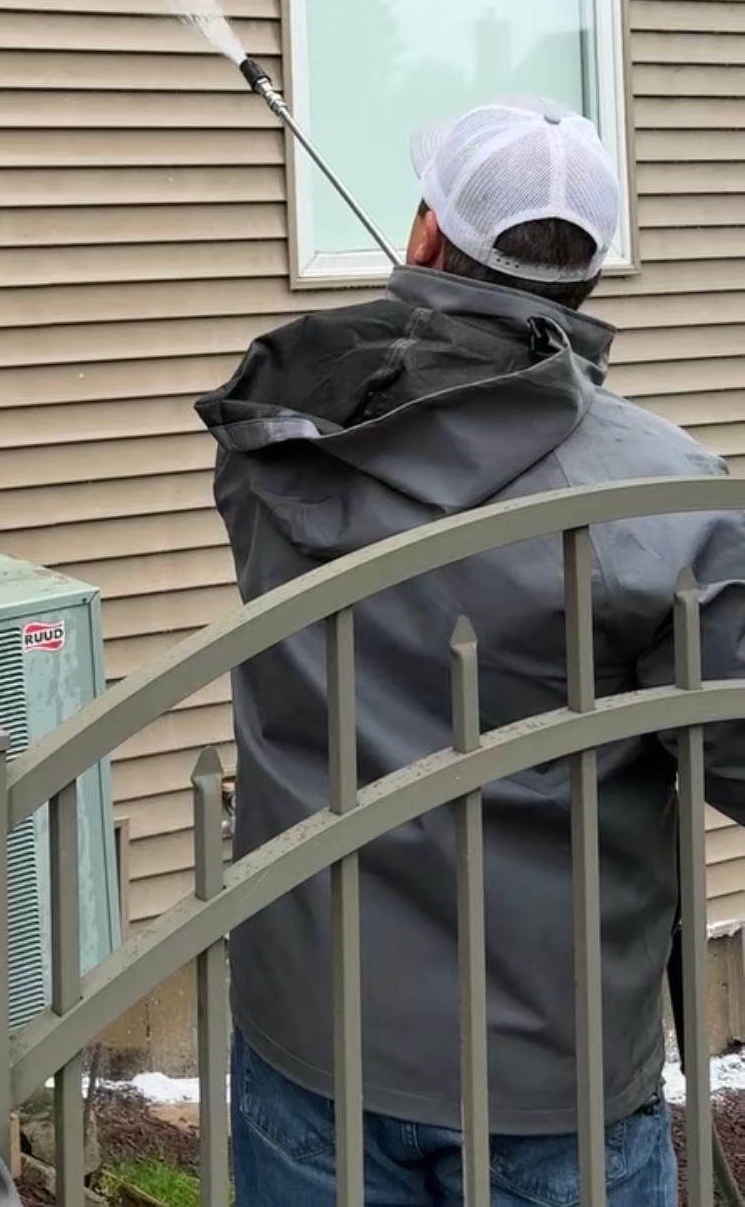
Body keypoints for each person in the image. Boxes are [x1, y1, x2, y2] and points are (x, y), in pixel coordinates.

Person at [196, 98, 745, 1207]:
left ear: (423, 233)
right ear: (589, 275)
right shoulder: (665, 495)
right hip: (552, 1072)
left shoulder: (279, 433)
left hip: (312, 1028)